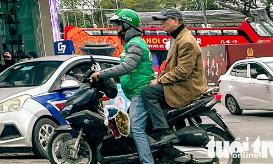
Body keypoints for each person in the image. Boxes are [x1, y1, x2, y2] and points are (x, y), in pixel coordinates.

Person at [89, 9, 156, 164]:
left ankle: (148, 162)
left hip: (141, 92)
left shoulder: (135, 44)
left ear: (128, 25)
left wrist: (101, 74)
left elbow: (126, 67)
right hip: (136, 92)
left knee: (136, 129)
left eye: (119, 24)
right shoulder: (131, 44)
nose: (116, 28)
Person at [141, 8, 207, 146]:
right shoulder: (178, 38)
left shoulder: (186, 41)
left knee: (147, 93)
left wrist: (159, 80)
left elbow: (182, 71)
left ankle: (163, 132)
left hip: (186, 88)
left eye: (164, 20)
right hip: (181, 84)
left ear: (176, 21)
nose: (161, 24)